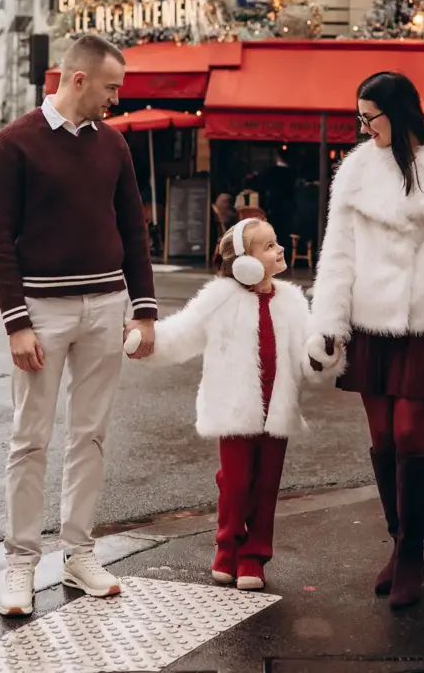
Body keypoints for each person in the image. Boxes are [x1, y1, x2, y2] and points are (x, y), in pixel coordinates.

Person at [0, 33, 157, 617]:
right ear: (77, 78)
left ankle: (78, 554)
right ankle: (19, 564)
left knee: (91, 436)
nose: (117, 98)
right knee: (30, 439)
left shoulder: (114, 146)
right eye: (112, 87)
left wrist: (145, 309)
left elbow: (134, 230)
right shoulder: (14, 143)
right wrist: (16, 322)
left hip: (106, 307)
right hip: (42, 311)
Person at [309, 71, 424, 610]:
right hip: (369, 326)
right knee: (384, 439)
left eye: (370, 116)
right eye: (358, 117)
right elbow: (337, 253)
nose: (363, 127)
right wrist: (328, 323)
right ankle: (397, 540)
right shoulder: (356, 171)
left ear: (400, 111)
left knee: (415, 436)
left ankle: (413, 551)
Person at [137, 218, 344, 590]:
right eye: (268, 247)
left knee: (267, 484)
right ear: (244, 263)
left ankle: (254, 556)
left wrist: (322, 355)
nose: (279, 250)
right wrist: (148, 341)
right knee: (234, 483)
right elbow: (182, 332)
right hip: (234, 410)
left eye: (276, 242)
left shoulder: (293, 301)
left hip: (277, 410)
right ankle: (227, 546)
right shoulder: (220, 299)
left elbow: (307, 357)